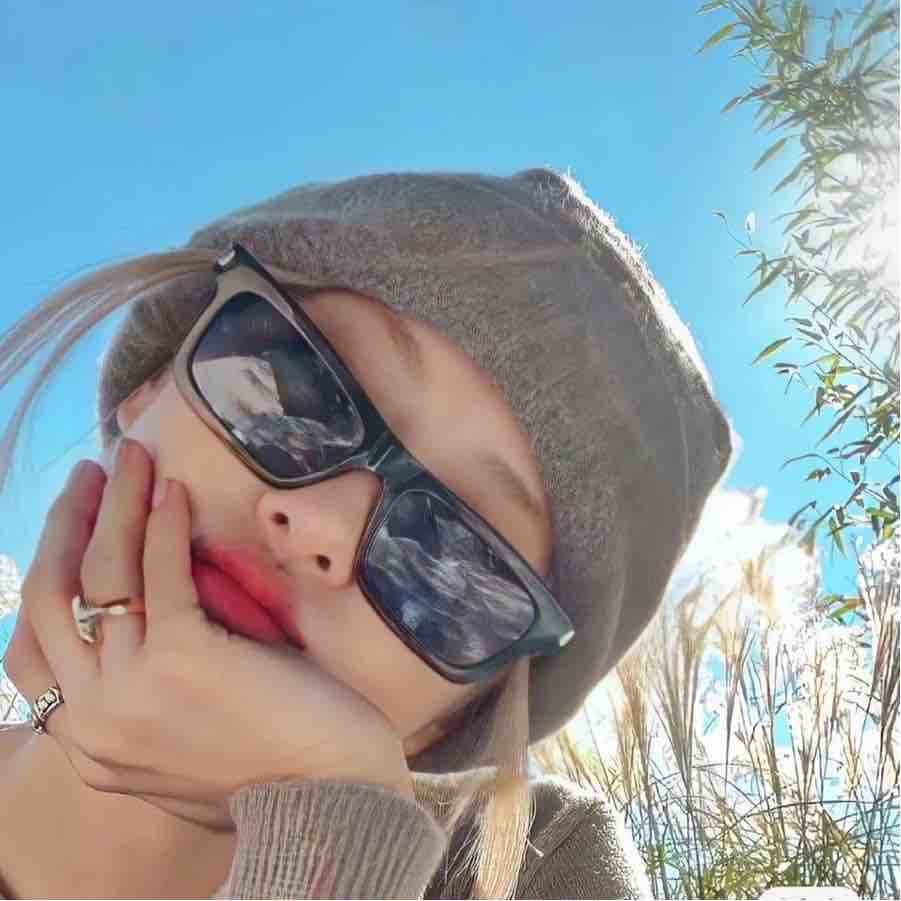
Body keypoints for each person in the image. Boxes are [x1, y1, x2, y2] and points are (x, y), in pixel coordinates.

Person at [0, 167, 735, 899]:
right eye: (289, 392)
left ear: (458, 714)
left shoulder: (536, 870)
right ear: (147, 393)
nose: (326, 526)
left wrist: (340, 834)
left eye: (452, 560)